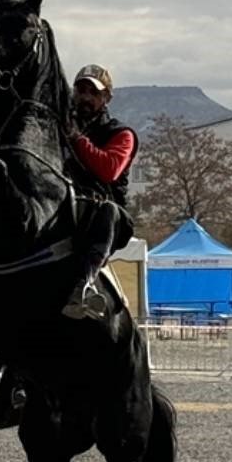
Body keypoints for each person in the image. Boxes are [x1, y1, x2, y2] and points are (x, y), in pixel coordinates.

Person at [63, 63, 137, 320]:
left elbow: (109, 170)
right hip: (65, 205)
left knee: (107, 211)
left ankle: (85, 283)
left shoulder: (121, 134)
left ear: (106, 98)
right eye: (81, 90)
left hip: (104, 217)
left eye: (93, 93)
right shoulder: (59, 125)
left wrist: (76, 139)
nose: (85, 97)